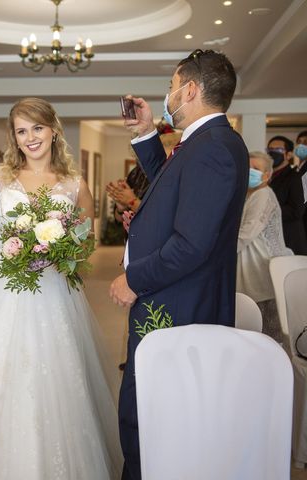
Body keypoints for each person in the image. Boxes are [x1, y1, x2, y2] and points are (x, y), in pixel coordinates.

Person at [0, 97, 122, 479]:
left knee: (54, 378)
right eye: (21, 130)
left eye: (37, 128)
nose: (30, 138)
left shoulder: (74, 183)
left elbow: (86, 239)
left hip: (54, 292)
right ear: (13, 137)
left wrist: (60, 247)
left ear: (53, 130)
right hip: (1, 291)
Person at [111, 49, 248, 480]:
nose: (168, 93)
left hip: (177, 306)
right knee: (150, 413)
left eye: (172, 85)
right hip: (171, 300)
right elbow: (168, 191)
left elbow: (192, 244)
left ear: (189, 90)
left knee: (151, 416)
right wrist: (147, 132)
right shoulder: (205, 143)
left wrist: (134, 279)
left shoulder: (214, 149)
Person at [237, 151, 293, 342]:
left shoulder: (263, 194)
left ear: (267, 175)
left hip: (262, 271)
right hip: (252, 268)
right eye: (248, 168)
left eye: (256, 169)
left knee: (268, 335)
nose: (251, 172)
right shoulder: (248, 196)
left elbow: (246, 234)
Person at [267, 135, 307, 255]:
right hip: (273, 239)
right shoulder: (268, 177)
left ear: (288, 155)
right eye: (269, 150)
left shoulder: (295, 177)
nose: (272, 153)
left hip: (289, 240)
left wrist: (268, 210)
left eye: (278, 150)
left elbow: (297, 210)